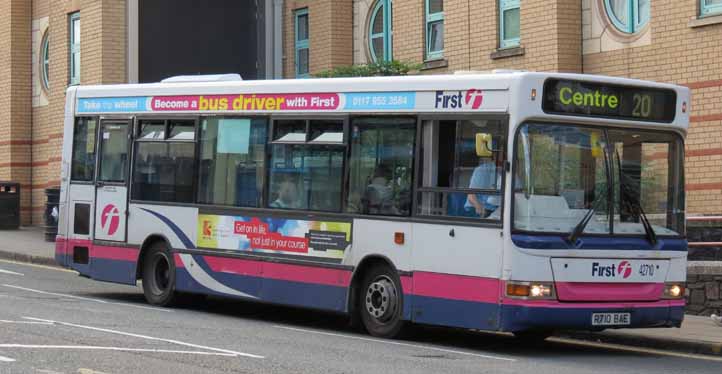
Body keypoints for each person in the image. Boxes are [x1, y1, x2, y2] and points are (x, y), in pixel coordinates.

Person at [465, 152, 502, 218]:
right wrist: (479, 208)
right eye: (503, 154)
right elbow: (471, 195)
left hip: (498, 209)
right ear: (495, 156)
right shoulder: (482, 170)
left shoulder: (507, 171)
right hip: (481, 210)